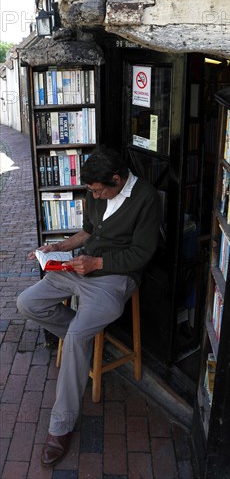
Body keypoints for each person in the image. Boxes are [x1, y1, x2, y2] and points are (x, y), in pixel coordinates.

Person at [17, 146, 160, 467]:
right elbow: (89, 231)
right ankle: (80, 339)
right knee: (27, 303)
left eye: (96, 191)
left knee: (79, 336)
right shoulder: (99, 193)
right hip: (80, 267)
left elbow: (142, 254)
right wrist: (58, 247)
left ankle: (61, 426)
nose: (93, 196)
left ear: (117, 179)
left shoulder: (146, 199)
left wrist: (97, 262)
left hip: (114, 277)